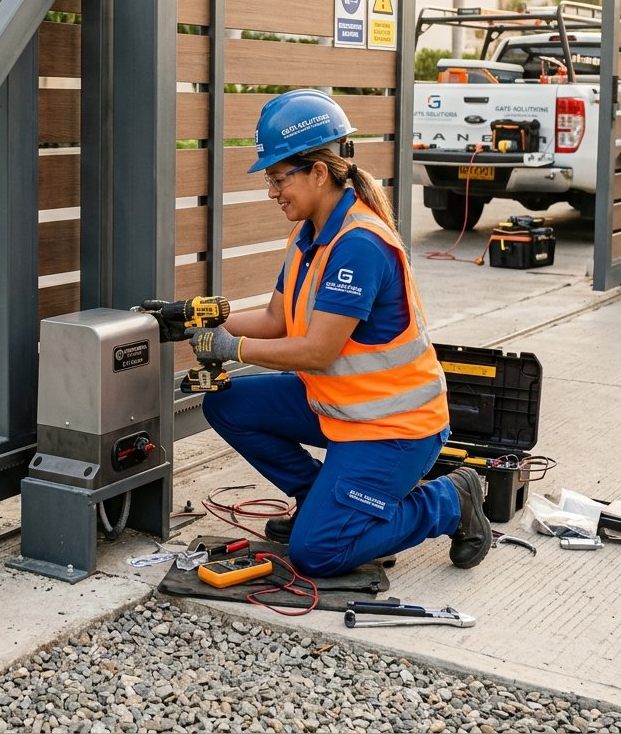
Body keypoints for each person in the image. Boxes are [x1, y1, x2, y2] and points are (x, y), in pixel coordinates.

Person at [188, 89, 492, 578]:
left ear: (318, 172)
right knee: (225, 403)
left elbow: (317, 350)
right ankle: (316, 499)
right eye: (269, 179)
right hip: (341, 406)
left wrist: (232, 348)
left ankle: (450, 500)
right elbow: (276, 320)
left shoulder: (359, 244)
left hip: (394, 428)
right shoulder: (309, 232)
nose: (272, 192)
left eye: (278, 178)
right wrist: (200, 319)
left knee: (318, 554)